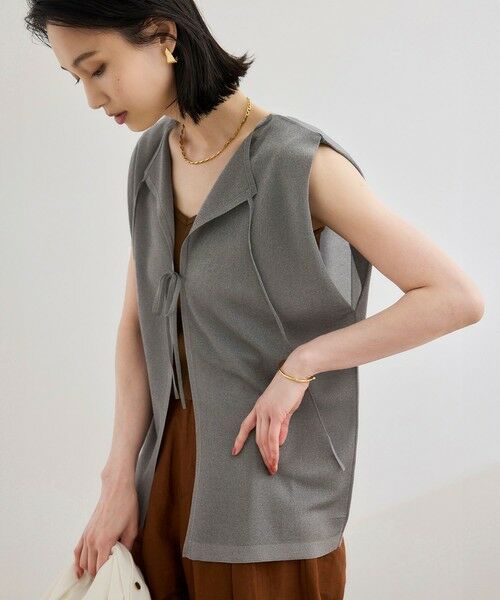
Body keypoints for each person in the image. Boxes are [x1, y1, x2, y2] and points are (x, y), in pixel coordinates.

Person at [25, 2, 485, 598]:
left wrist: (303, 364)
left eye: (97, 68)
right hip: (161, 491)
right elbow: (137, 325)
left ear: (163, 36)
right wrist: (116, 481)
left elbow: (453, 297)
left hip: (268, 501)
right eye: (77, 79)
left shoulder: (299, 165)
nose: (92, 98)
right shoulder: (151, 160)